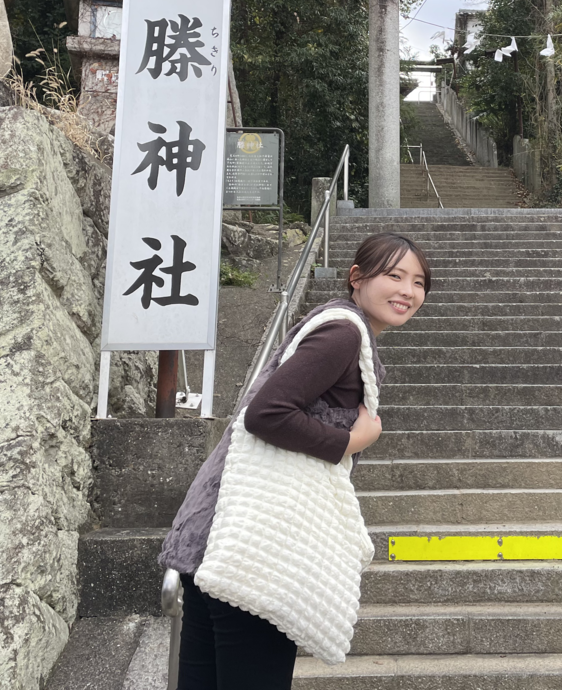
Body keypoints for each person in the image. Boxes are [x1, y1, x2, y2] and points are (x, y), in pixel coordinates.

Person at [158, 232, 432, 690]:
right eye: (394, 275)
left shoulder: (334, 327)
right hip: (258, 553)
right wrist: (350, 440)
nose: (408, 290)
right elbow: (267, 415)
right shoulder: (344, 333)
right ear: (357, 278)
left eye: (419, 282)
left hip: (219, 543)